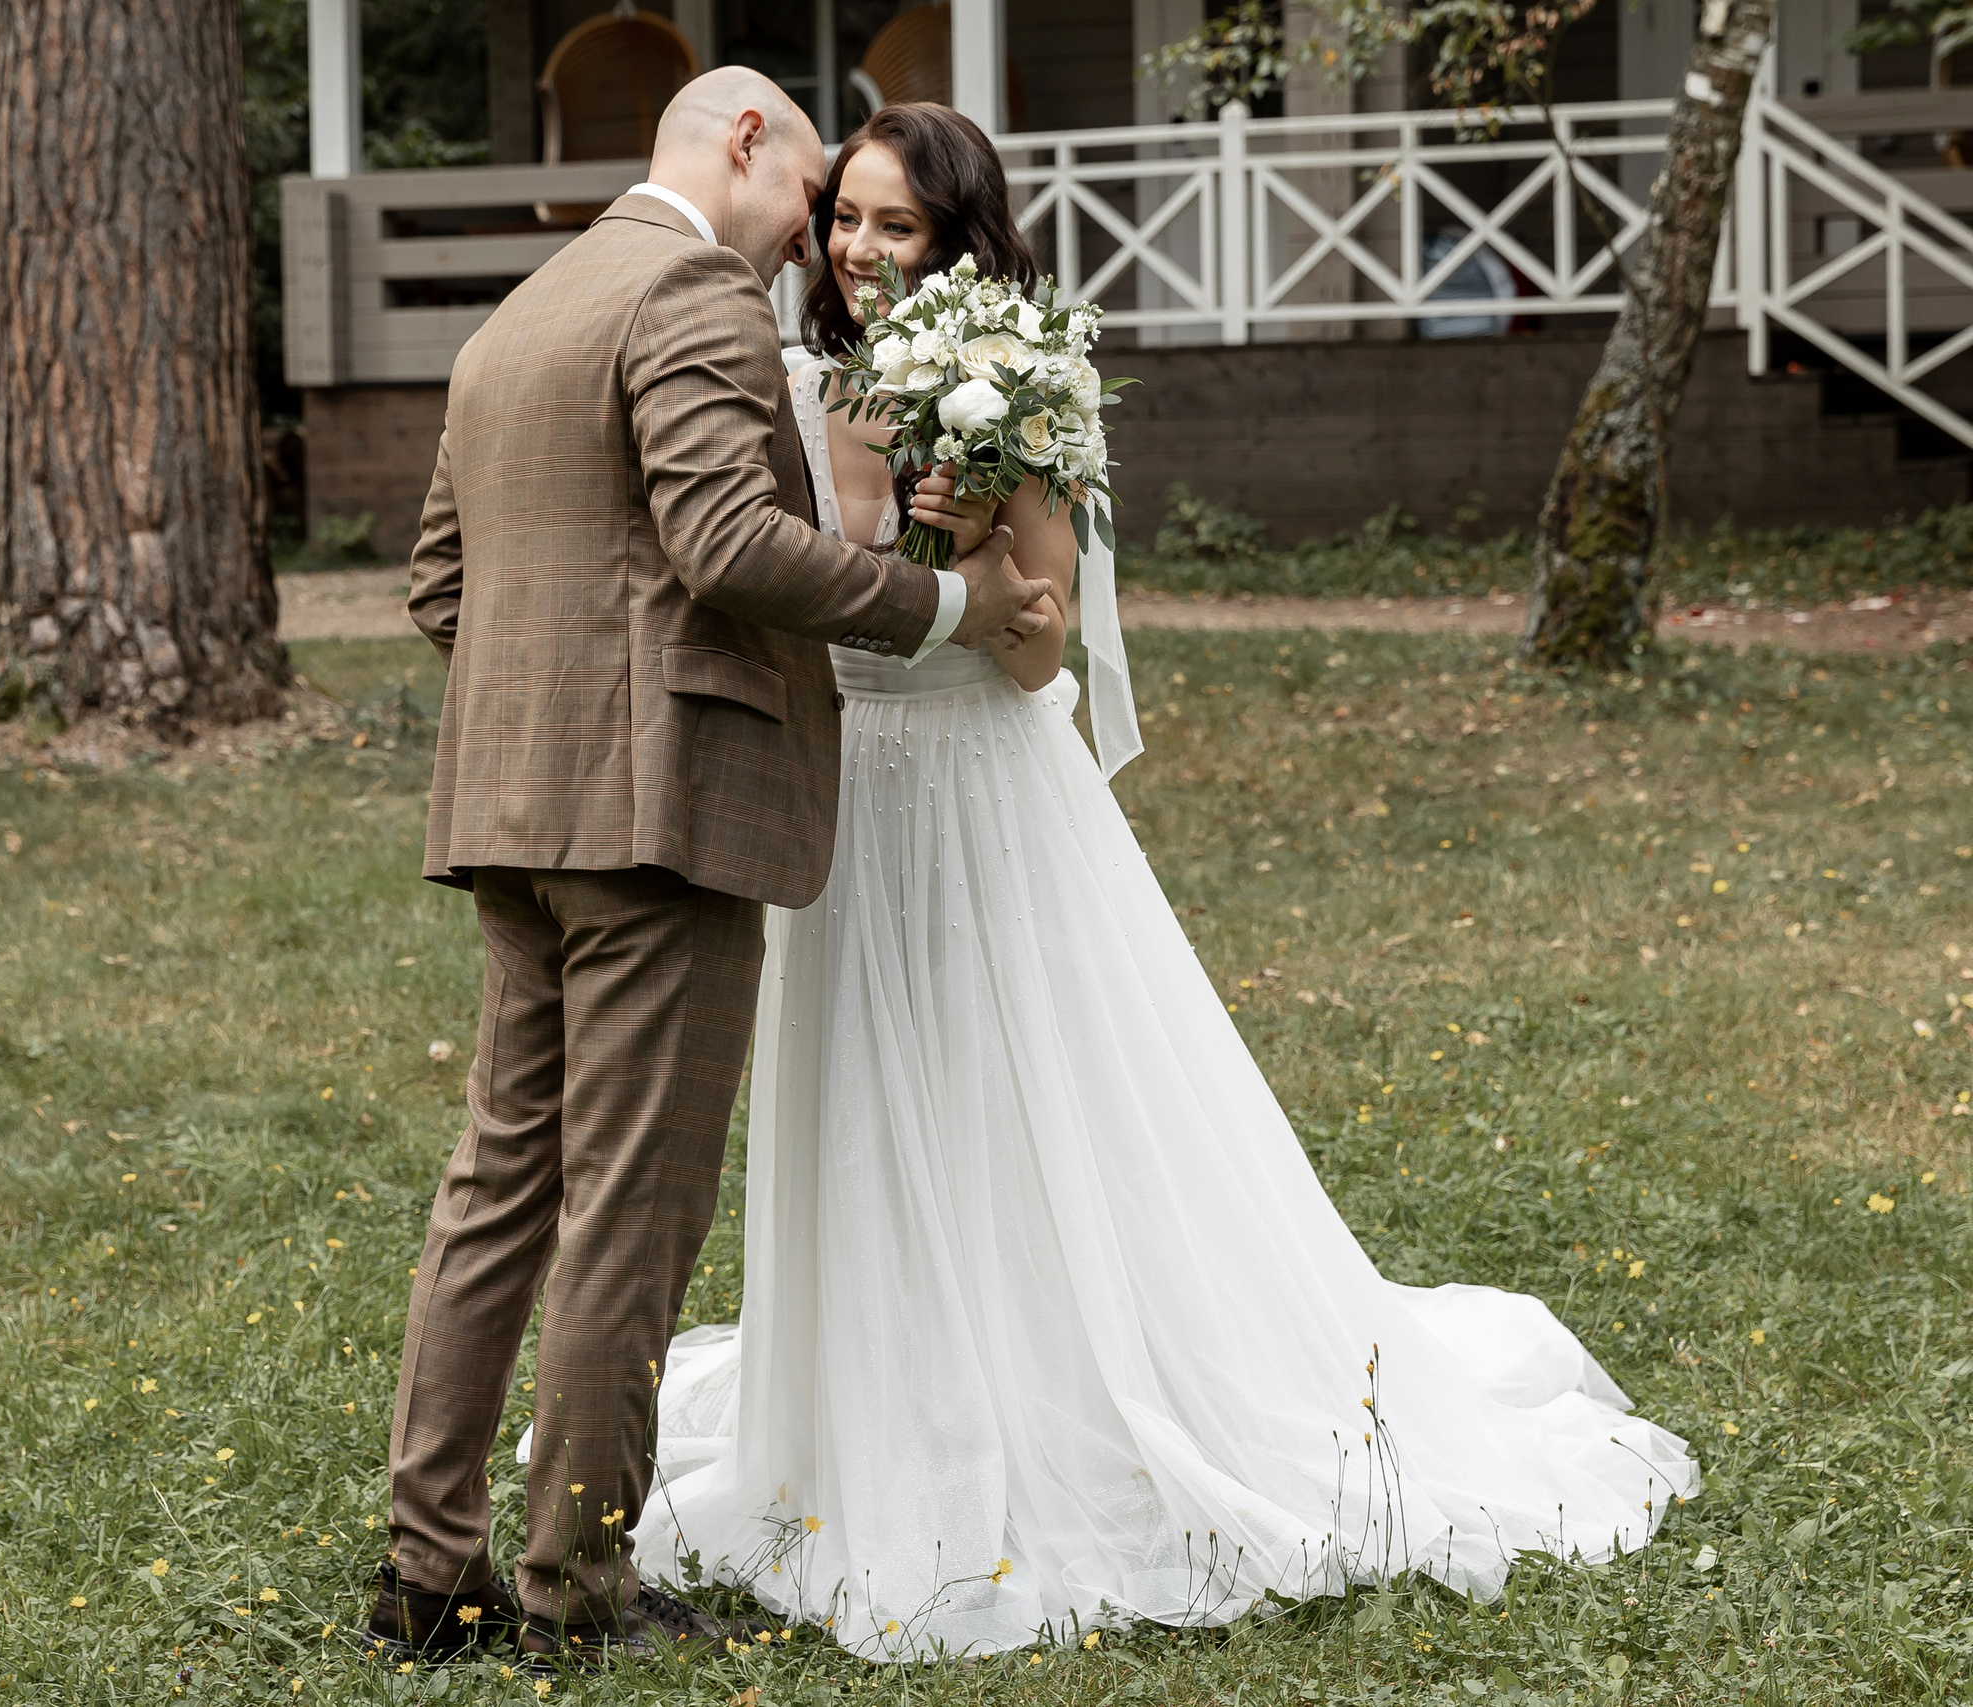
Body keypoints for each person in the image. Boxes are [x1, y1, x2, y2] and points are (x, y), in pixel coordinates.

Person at [625, 102, 1703, 1661]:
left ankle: (1066, 1397)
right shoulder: (784, 384)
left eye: (896, 227)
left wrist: (972, 559)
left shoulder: (1023, 391)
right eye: (843, 219)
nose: (857, 252)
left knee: (1021, 1101)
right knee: (866, 1102)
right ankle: (883, 1405)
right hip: (844, 801)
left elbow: (1046, 639)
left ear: (960, 239)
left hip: (980, 792)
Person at [365, 70, 1057, 1669]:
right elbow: (726, 542)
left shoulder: (522, 311)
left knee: (498, 1188)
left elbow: (436, 583)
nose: (818, 229)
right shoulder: (696, 294)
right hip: (660, 821)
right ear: (745, 142)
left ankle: (425, 1571)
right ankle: (570, 1594)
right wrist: (944, 613)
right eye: (814, 188)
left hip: (511, 816)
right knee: (628, 1210)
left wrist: (552, 717)